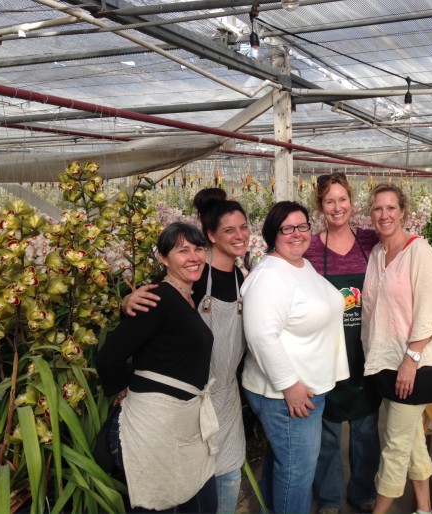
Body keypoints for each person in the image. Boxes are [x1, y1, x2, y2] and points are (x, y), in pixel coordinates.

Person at [123, 188, 250, 514]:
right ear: (211, 236)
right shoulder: (193, 272)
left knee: (230, 474)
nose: (239, 236)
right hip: (189, 399)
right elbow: (151, 302)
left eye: (244, 227)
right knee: (195, 480)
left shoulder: (242, 276)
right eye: (229, 230)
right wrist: (127, 302)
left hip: (227, 394)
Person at [96, 222, 218, 513]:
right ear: (164, 258)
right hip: (155, 426)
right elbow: (108, 356)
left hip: (182, 422)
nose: (193, 257)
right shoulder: (159, 298)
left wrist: (123, 302)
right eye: (182, 251)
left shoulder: (186, 294)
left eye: (199, 249)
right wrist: (121, 389)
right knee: (160, 502)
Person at [240, 201, 349, 514]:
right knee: (296, 473)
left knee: (283, 463)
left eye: (302, 226)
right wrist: (290, 385)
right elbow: (261, 335)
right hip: (286, 395)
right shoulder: (270, 276)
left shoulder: (299, 264)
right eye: (287, 228)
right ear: (273, 233)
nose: (297, 234)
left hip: (307, 387)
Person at [361, 184, 432, 514]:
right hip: (385, 364)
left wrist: (410, 361)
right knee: (411, 441)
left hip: (416, 366)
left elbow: (427, 314)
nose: (384, 215)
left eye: (391, 208)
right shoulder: (376, 255)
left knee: (395, 445)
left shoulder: (419, 252)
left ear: (403, 212)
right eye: (377, 209)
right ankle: (424, 509)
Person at [305, 173, 381, 514]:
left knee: (366, 429)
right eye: (329, 201)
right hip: (326, 350)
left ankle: (363, 490)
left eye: (342, 199)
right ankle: (330, 498)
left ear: (352, 202)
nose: (337, 207)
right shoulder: (308, 246)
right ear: (320, 207)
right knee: (328, 432)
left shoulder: (370, 240)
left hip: (364, 348)